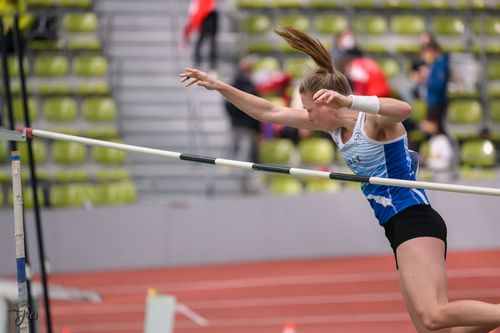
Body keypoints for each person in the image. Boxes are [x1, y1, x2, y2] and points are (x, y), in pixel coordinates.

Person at [180, 27, 500, 333]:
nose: (305, 117)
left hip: (414, 218)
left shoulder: (372, 124)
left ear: (326, 103)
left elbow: (403, 109)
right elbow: (268, 112)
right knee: (433, 329)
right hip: (395, 225)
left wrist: (350, 101)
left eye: (308, 110)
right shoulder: (332, 128)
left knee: (433, 316)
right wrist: (219, 85)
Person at [224, 57, 261, 192]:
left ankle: (241, 185)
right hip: (245, 126)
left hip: (244, 126)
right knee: (242, 156)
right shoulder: (246, 85)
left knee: (240, 156)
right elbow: (256, 109)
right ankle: (240, 185)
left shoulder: (238, 84)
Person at [421, 40, 449, 133]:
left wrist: (427, 78)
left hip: (437, 101)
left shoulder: (441, 64)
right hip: (432, 100)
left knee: (435, 130)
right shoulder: (434, 64)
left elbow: (439, 85)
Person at [182, 0, 218, 71]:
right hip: (205, 17)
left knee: (210, 41)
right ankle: (199, 62)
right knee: (204, 41)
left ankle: (211, 63)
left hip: (209, 15)